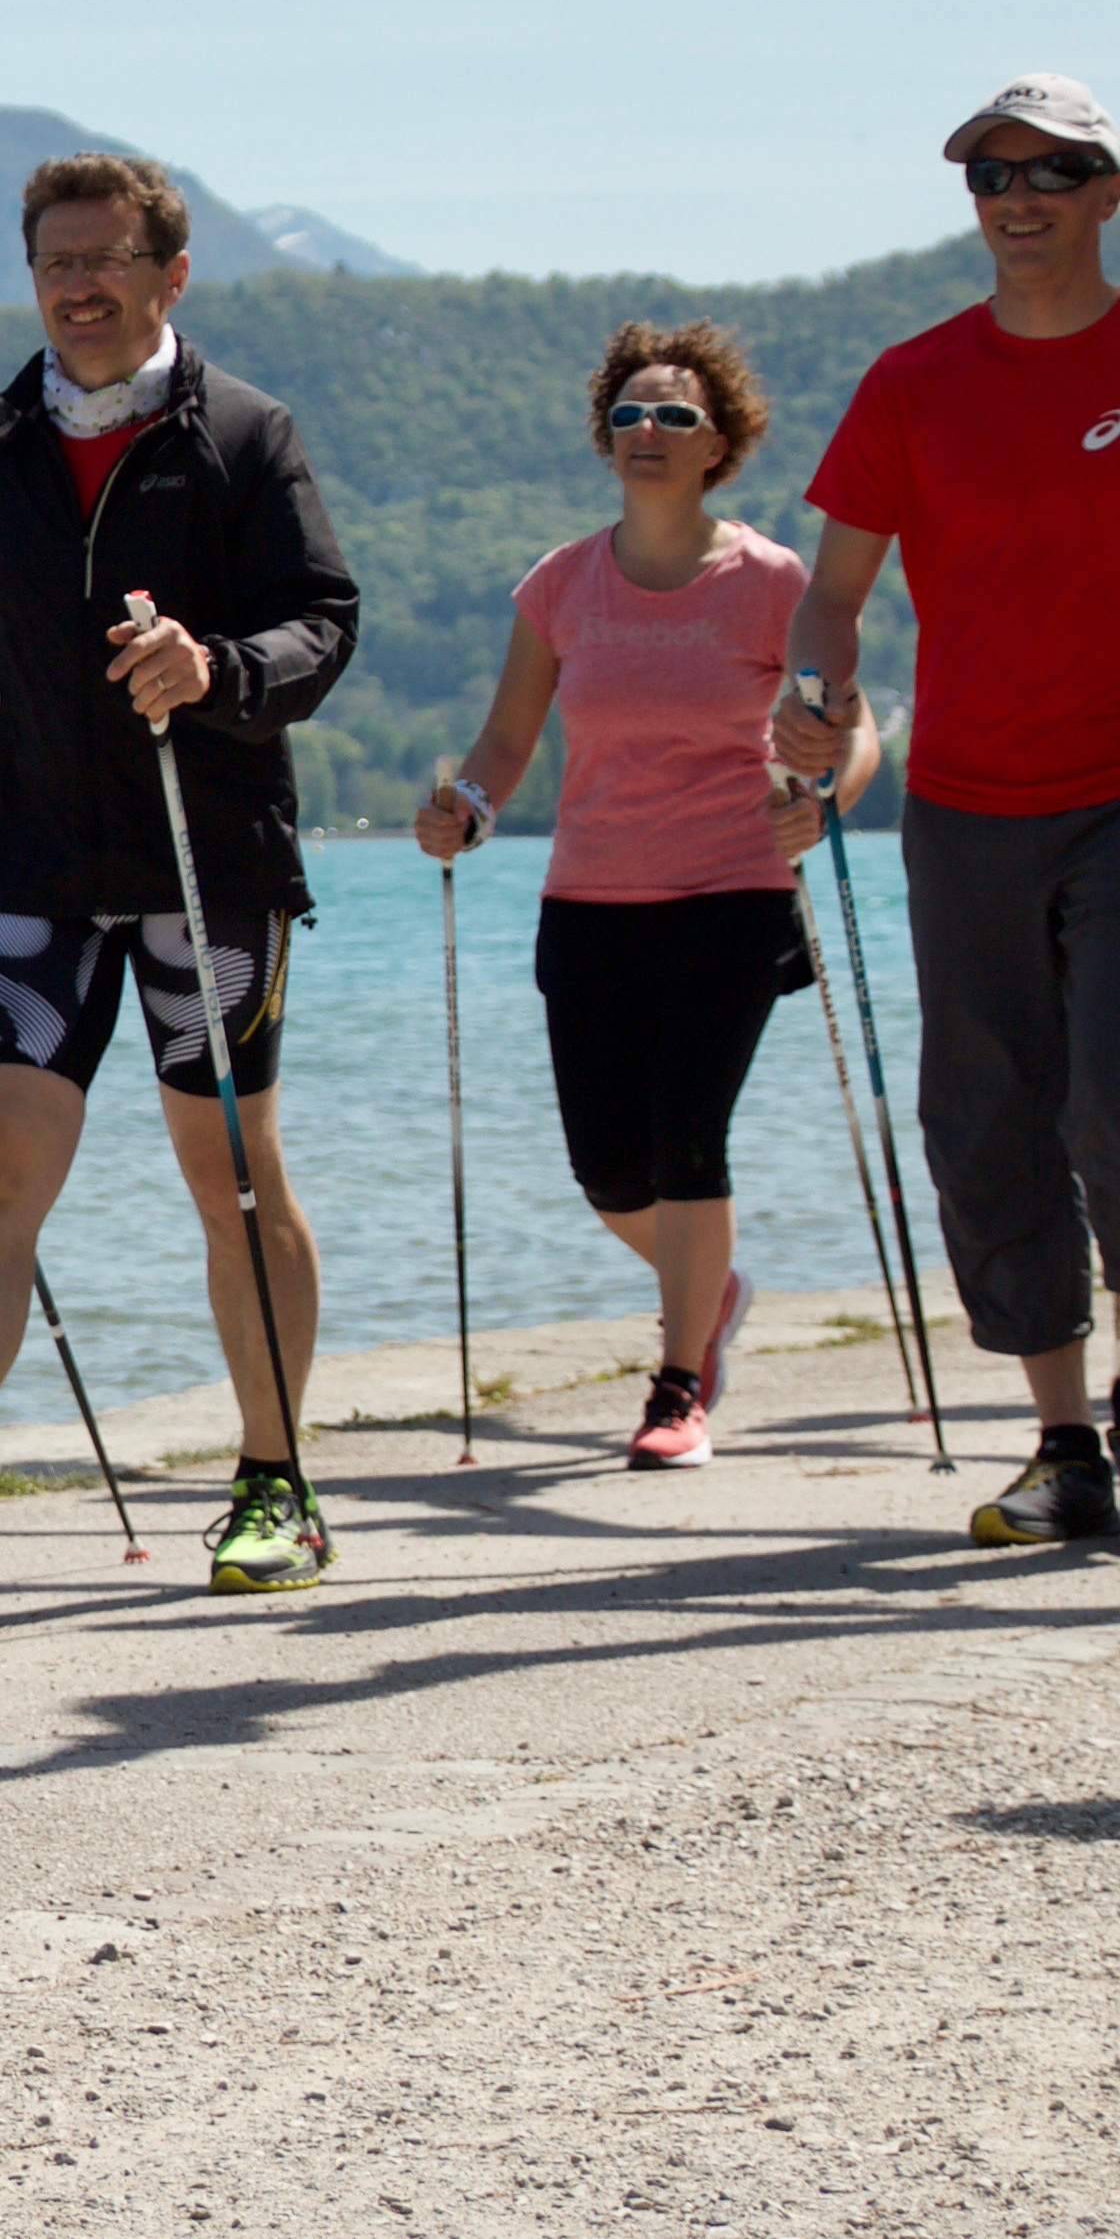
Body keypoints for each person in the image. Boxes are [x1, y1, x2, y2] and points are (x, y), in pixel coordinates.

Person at [0, 152, 362, 1604]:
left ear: (171, 276)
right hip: (39, 869)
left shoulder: (242, 434)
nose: (78, 286)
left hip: (208, 864)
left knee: (231, 1176)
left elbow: (323, 626)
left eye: (107, 260)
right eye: (55, 262)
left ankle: (274, 1484)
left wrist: (215, 667)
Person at [776, 74, 1120, 1551]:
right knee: (990, 1114)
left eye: (1054, 172)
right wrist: (813, 694)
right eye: (991, 176)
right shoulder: (911, 380)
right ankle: (1062, 1437)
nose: (1019, 199)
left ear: (1109, 192)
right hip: (960, 803)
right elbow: (834, 586)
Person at [417, 322, 876, 1469]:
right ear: (604, 439)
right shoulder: (562, 584)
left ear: (721, 439)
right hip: (590, 902)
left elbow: (853, 723)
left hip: (734, 892)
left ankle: (678, 1385)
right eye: (628, 415)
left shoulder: (773, 582)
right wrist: (465, 804)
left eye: (675, 415)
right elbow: (510, 737)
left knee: (687, 1139)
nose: (649, 433)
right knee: (607, 1168)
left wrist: (826, 799)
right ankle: (711, 1293)